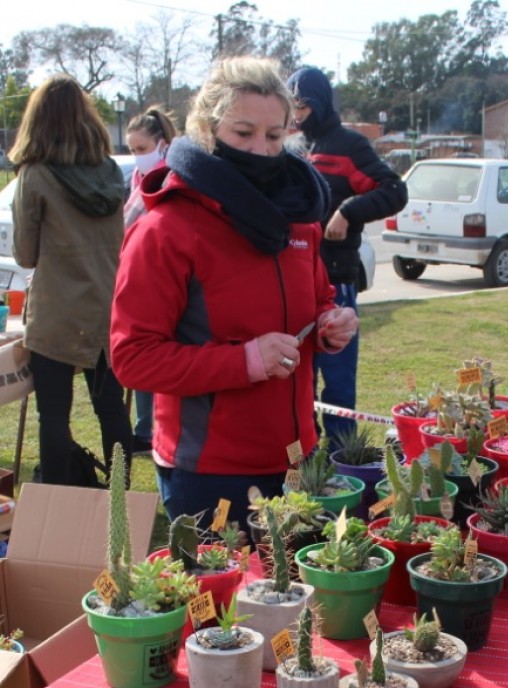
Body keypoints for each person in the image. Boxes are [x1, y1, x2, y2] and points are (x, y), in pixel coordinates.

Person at [108, 57, 358, 524]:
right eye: (243, 134)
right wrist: (244, 361)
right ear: (206, 129)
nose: (261, 151)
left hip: (296, 458)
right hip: (208, 471)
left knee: (296, 595)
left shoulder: (299, 216)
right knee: (223, 596)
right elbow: (132, 357)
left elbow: (318, 296)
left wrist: (330, 323)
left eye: (274, 136)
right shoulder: (166, 228)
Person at [7, 75, 135, 487]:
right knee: (111, 410)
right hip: (107, 308)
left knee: (54, 415)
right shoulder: (111, 170)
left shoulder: (36, 174)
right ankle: (119, 499)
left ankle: (59, 508)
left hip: (57, 314)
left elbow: (25, 254)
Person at [286, 66, 408, 444]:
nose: (297, 113)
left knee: (337, 388)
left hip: (337, 281)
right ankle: (304, 463)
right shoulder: (294, 149)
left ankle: (344, 468)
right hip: (295, 284)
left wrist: (348, 211)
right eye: (292, 105)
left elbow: (394, 191)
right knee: (296, 383)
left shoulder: (349, 145)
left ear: (319, 103)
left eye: (303, 104)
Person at [121, 107, 180, 455]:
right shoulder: (136, 179)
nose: (137, 157)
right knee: (142, 353)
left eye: (142, 149)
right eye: (132, 150)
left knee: (156, 356)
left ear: (162, 144)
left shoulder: (170, 176)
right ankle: (145, 428)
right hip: (139, 275)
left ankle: (152, 429)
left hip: (161, 278)